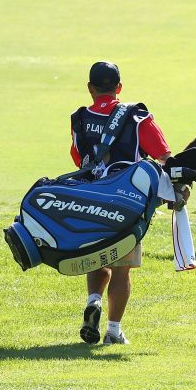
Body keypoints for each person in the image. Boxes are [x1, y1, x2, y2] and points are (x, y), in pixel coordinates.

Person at [70, 61, 172, 345]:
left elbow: (79, 159)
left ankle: (93, 300)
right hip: (126, 202)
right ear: (119, 88)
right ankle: (113, 331)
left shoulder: (78, 119)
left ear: (90, 88)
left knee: (96, 255)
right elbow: (164, 156)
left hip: (90, 198)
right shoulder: (137, 117)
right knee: (121, 267)